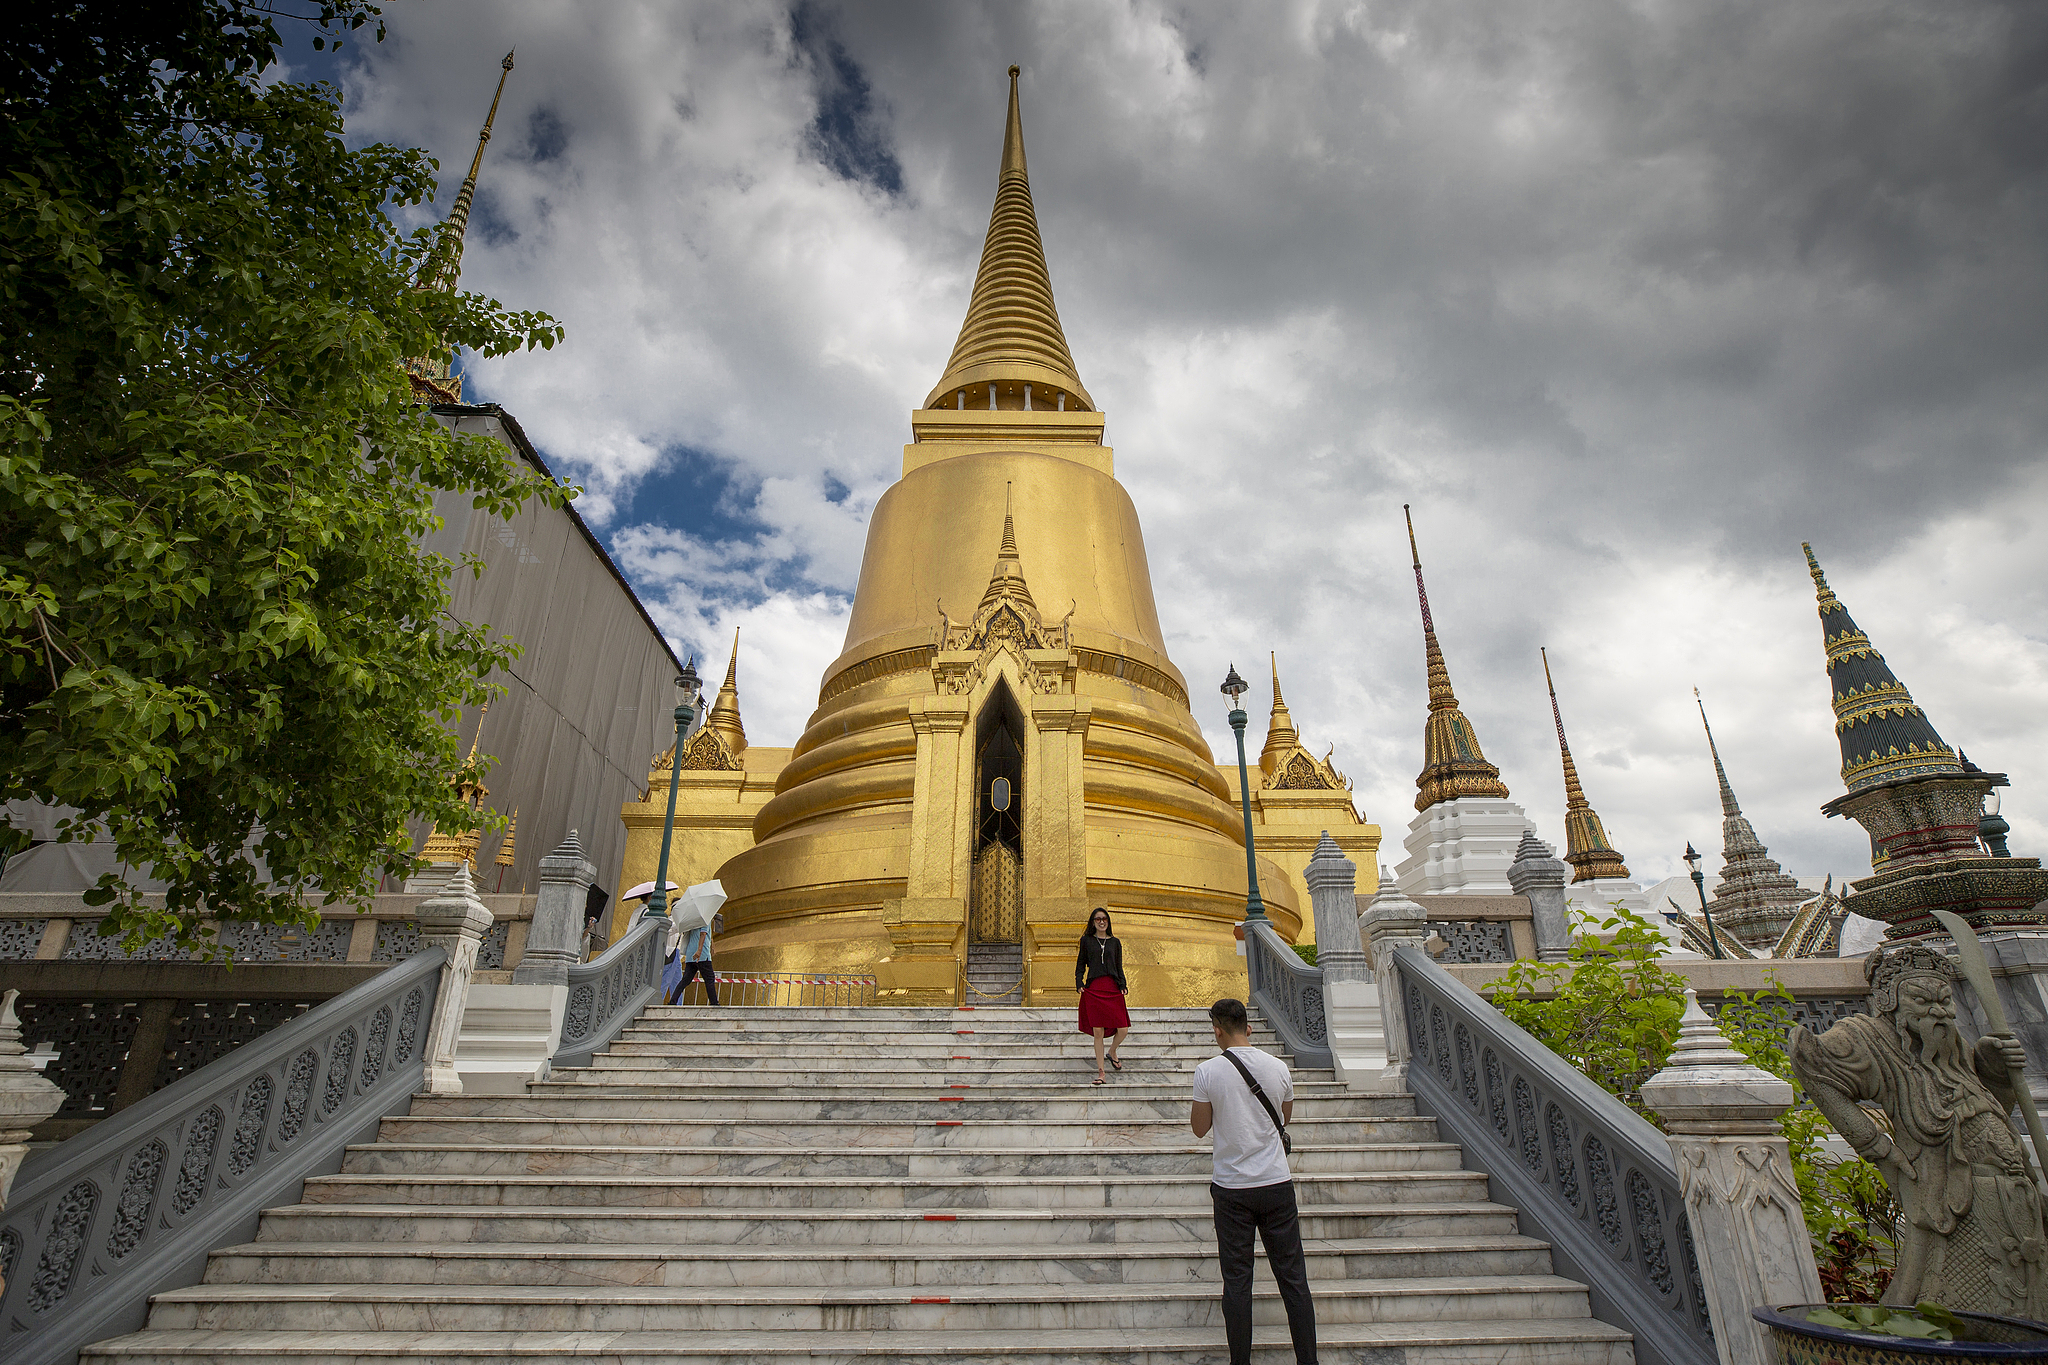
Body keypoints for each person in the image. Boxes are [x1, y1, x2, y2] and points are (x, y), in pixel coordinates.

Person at [1191, 997, 1317, 1365]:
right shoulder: (1277, 1067)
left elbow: (1200, 1129)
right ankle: (1308, 1360)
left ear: (1217, 1030)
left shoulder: (1208, 1071)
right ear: (1248, 1027)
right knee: (1293, 1279)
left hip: (1232, 1188)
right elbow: (1285, 1117)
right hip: (1276, 1183)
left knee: (1237, 1282)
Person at [1074, 906, 1129, 1084]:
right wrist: (1079, 982)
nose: (1101, 921)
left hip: (1112, 987)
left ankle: (1112, 1051)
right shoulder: (1086, 941)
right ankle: (1101, 1073)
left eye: (1104, 918)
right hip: (1095, 987)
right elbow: (1081, 963)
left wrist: (1123, 984)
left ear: (1108, 921)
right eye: (1098, 919)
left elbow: (1119, 966)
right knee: (1098, 1030)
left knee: (1123, 1028)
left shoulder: (1115, 942)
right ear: (1093, 922)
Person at [669, 914, 719, 1006]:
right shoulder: (705, 919)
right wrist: (699, 951)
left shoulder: (693, 919)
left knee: (685, 980)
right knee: (709, 979)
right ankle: (714, 1003)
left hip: (690, 955)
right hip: (702, 955)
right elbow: (703, 934)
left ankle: (673, 1001)